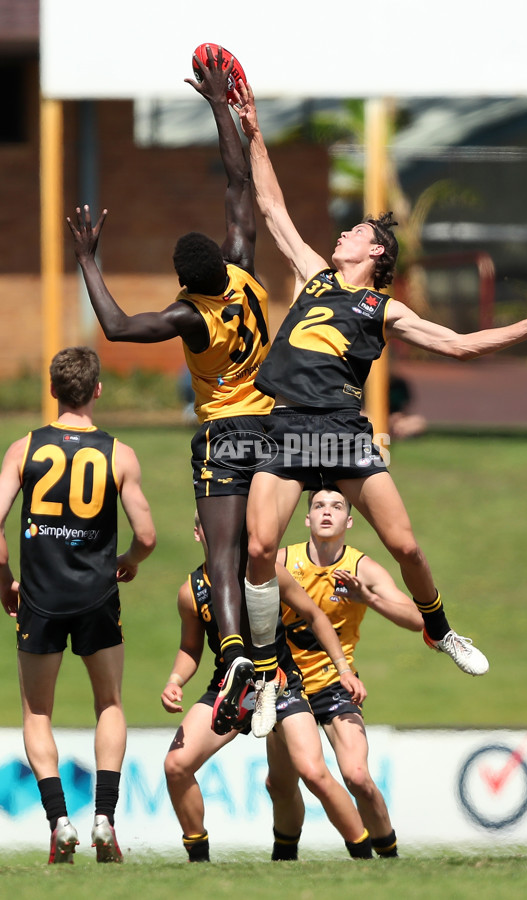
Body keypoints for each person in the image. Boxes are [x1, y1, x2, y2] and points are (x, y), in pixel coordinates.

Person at [231, 83, 527, 703]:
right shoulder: (314, 275)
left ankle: (441, 631)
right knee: (259, 547)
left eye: (356, 233)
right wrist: (253, 133)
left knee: (406, 545)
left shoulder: (381, 307)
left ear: (377, 252)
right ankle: (263, 671)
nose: (342, 236)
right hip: (286, 427)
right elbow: (270, 206)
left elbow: (458, 344)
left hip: (340, 432)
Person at [67, 48, 276, 738]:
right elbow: (238, 187)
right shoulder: (243, 269)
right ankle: (265, 659)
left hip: (224, 436)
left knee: (218, 553)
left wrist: (90, 262)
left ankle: (237, 654)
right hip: (272, 431)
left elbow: (121, 326)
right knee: (259, 551)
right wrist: (221, 107)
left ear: (186, 280)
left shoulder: (190, 315)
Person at [0, 346, 156, 864]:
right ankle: (105, 820)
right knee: (109, 703)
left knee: (37, 712)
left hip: (40, 600)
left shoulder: (23, 450)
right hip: (97, 597)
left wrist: (6, 580)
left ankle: (59, 823)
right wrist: (129, 560)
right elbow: (148, 536)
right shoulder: (120, 454)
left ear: (51, 391)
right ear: (97, 390)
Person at [161, 514, 372, 862]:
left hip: (281, 683)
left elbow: (316, 616)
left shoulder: (266, 573)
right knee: (176, 766)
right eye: (210, 527)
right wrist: (174, 680)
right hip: (231, 688)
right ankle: (198, 861)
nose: (220, 533)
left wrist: (344, 669)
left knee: (313, 773)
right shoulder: (192, 591)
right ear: (199, 532)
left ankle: (364, 859)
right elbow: (190, 649)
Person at [272, 486, 423, 859]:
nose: (327, 512)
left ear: (349, 521)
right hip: (285, 687)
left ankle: (388, 858)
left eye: (336, 506)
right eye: (319, 506)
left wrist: (368, 598)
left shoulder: (361, 568)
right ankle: (284, 857)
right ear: (306, 518)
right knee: (281, 784)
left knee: (357, 777)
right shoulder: (279, 561)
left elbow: (417, 618)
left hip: (336, 684)